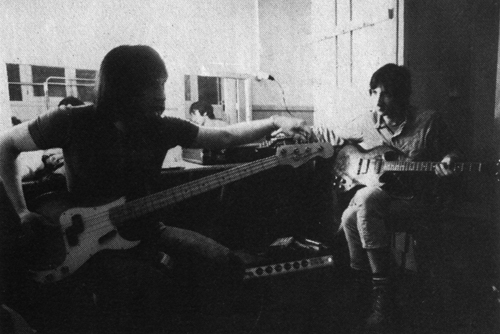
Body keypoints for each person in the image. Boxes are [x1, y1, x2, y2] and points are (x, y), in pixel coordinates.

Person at [0, 45, 310, 333]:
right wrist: (21, 210)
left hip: (147, 229)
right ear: (126, 87)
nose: (162, 94)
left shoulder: (161, 127)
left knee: (224, 262)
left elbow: (225, 136)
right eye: (156, 85)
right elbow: (6, 145)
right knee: (145, 287)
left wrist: (275, 121)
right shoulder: (72, 121)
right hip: (83, 244)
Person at [315, 63, 461, 332]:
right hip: (384, 200)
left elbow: (452, 152)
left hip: (419, 200)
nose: (378, 101)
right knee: (349, 216)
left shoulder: (429, 121)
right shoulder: (364, 122)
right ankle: (370, 287)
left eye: (387, 94)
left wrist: (449, 161)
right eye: (374, 92)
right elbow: (337, 143)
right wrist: (342, 165)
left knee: (365, 201)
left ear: (403, 96)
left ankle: (383, 299)